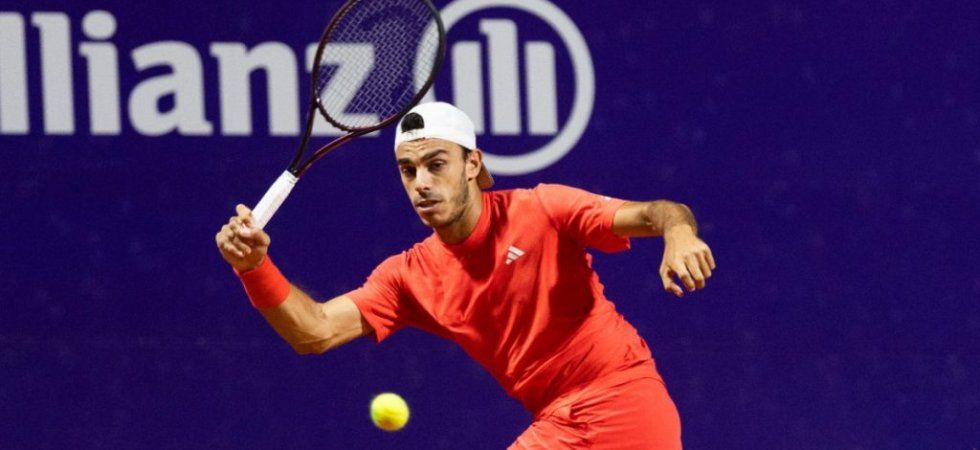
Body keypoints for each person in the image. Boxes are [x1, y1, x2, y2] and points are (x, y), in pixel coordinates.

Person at [215, 102, 715, 449]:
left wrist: (678, 233)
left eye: (437, 165)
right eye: (408, 170)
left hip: (622, 401)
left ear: (473, 164)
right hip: (557, 422)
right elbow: (315, 332)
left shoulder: (543, 208)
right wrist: (254, 266)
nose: (422, 183)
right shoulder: (408, 276)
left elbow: (657, 211)